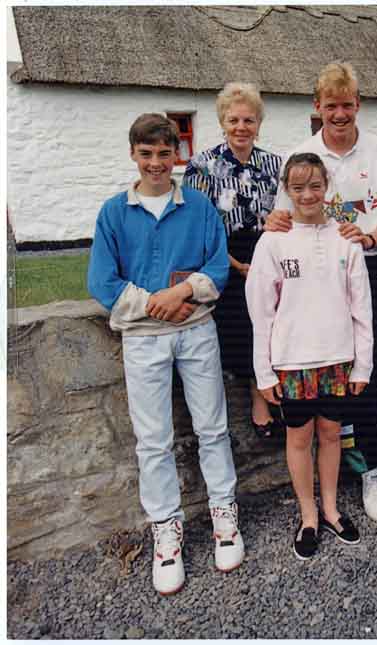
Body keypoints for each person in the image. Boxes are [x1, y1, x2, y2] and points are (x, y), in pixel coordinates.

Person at [265, 62, 377, 527]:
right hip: (320, 280)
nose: (339, 114)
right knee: (343, 377)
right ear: (316, 107)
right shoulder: (301, 154)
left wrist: (367, 239)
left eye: (347, 105)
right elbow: (284, 220)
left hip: (369, 266)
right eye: (331, 106)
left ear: (358, 104)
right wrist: (273, 226)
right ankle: (370, 472)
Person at [87, 113, 244, 595]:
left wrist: (182, 296)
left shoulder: (198, 208)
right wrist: (156, 305)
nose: (156, 163)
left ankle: (224, 515)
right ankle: (166, 532)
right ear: (134, 154)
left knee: (212, 426)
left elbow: (217, 266)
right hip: (144, 338)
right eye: (146, 154)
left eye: (164, 154)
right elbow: (102, 281)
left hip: (196, 329)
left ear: (177, 155)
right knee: (153, 440)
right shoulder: (114, 212)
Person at [246, 153, 373, 560]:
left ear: (326, 187)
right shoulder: (273, 241)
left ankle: (332, 508)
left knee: (332, 434)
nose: (307, 194)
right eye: (297, 187)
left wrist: (363, 363)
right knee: (299, 439)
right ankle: (307, 516)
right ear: (286, 189)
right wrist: (264, 373)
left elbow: (361, 307)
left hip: (337, 358)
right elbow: (261, 313)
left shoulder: (345, 239)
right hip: (292, 362)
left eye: (315, 186)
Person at [182, 82, 283, 439]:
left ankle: (275, 394)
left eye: (249, 120)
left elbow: (283, 214)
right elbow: (197, 225)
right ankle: (260, 401)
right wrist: (236, 267)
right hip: (222, 255)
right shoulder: (202, 165)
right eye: (234, 119)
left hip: (268, 254)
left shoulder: (273, 164)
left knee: (274, 328)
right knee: (242, 329)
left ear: (259, 123)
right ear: (222, 122)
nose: (242, 127)